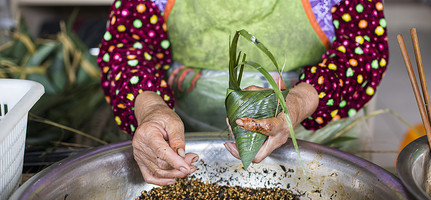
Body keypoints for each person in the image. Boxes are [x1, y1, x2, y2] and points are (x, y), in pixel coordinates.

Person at [98, 0, 389, 186]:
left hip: (314, 146)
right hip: (187, 145)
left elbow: (362, 50)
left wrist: (296, 104)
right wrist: (150, 109)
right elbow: (127, 47)